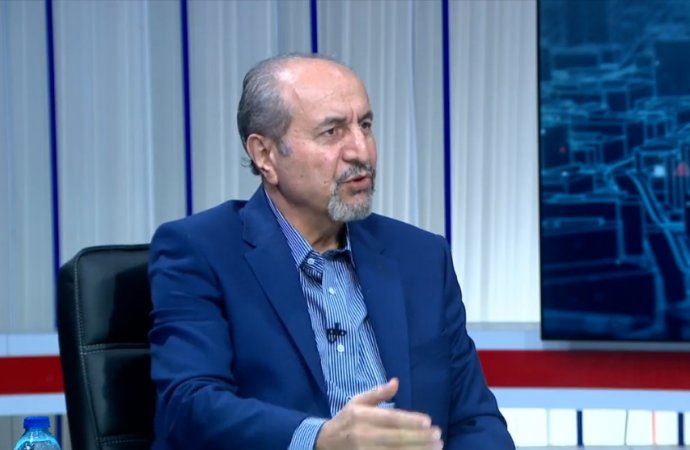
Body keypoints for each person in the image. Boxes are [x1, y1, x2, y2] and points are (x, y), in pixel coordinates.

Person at [148, 53, 514, 450]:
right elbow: (189, 406)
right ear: (265, 155)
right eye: (332, 132)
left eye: (365, 125)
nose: (361, 151)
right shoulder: (201, 251)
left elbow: (475, 420)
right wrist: (320, 439)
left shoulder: (421, 257)